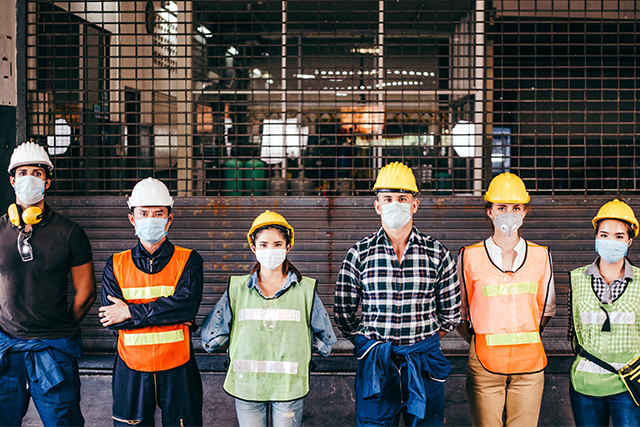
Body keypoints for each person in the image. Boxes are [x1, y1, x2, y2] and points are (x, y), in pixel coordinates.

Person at [334, 162, 461, 427]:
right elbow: (344, 313)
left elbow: (450, 314)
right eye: (388, 199)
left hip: (423, 364)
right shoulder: (359, 254)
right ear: (377, 205)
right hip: (377, 365)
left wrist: (422, 342)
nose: (395, 205)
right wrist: (368, 343)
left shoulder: (437, 254)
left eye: (402, 198)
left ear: (415, 204)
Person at [201, 210, 336, 427]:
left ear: (287, 247)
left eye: (277, 244)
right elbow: (325, 343)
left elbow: (211, 341)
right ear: (253, 248)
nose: (270, 250)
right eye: (263, 245)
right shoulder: (236, 289)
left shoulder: (306, 289)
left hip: (287, 388)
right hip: (249, 387)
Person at [0, 141, 96, 426]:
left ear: (47, 181)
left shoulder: (70, 233)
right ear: (12, 180)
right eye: (23, 172)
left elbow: (86, 292)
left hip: (53, 350)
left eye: (37, 173)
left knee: (62, 421)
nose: (29, 177)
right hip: (6, 348)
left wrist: (57, 327)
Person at [99, 177, 203, 426]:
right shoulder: (115, 264)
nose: (151, 219)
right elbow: (112, 320)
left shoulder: (189, 260)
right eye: (143, 213)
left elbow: (186, 306)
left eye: (158, 213)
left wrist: (130, 313)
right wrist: (169, 314)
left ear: (170, 218)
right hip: (130, 367)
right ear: (132, 218)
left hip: (178, 365)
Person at [455, 172, 556, 427]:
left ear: (524, 212)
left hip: (530, 364)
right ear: (490, 212)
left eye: (516, 207)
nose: (509, 213)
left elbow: (546, 310)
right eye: (502, 207)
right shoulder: (469, 257)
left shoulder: (541, 256)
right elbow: (460, 312)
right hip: (483, 362)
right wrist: (479, 340)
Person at [568, 199, 640, 427]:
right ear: (596, 237)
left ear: (629, 241)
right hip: (585, 386)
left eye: (619, 236)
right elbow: (573, 330)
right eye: (605, 234)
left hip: (628, 387)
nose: (611, 241)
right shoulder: (577, 279)